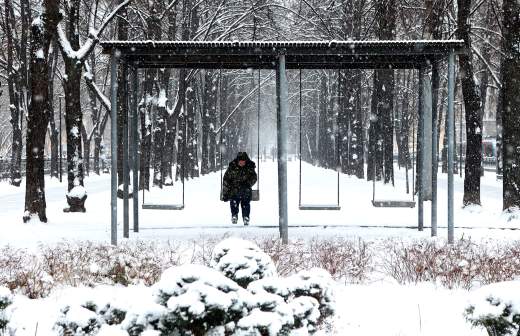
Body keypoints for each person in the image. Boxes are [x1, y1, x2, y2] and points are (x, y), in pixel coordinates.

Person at [222, 152, 257, 225]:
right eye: (240, 161)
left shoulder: (249, 167)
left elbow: (254, 178)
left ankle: (246, 217)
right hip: (234, 189)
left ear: (245, 161)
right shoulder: (232, 168)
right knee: (234, 201)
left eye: (243, 161)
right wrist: (225, 192)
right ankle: (234, 215)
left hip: (245, 190)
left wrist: (248, 184)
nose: (241, 163)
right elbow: (226, 179)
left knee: (246, 202)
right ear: (237, 161)